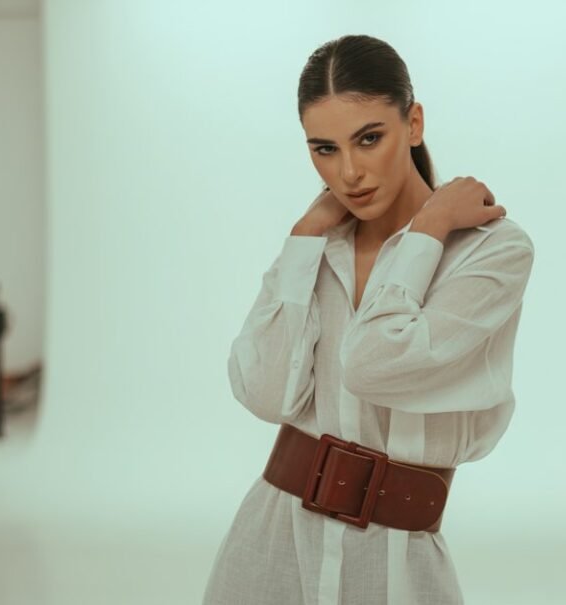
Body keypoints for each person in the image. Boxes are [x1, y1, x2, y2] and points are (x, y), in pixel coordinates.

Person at [202, 34, 535, 605]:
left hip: (399, 566)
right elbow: (265, 395)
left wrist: (428, 230)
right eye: (324, 149)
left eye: (369, 138)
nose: (349, 172)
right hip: (270, 551)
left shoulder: (491, 253)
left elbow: (374, 365)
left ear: (414, 124)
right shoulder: (315, 251)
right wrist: (305, 236)